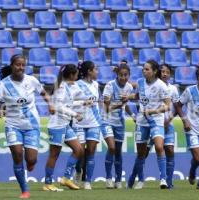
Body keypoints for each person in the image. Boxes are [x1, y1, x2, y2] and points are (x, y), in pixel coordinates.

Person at [0, 54, 54, 199]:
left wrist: (50, 104)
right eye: (18, 65)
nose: (21, 68)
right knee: (18, 155)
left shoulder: (31, 80)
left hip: (31, 125)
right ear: (12, 65)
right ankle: (24, 190)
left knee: (31, 159)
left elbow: (44, 93)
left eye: (23, 65)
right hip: (12, 124)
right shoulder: (3, 85)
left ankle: (30, 164)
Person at [127, 60, 171, 189]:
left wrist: (154, 111)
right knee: (141, 153)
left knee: (159, 146)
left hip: (156, 119)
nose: (144, 71)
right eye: (144, 69)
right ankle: (138, 179)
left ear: (154, 71)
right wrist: (128, 97)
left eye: (147, 69)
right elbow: (138, 95)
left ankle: (163, 179)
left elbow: (168, 106)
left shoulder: (162, 86)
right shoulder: (140, 82)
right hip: (141, 120)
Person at [43, 64, 84, 192]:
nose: (77, 77)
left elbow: (67, 103)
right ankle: (48, 183)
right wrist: (75, 114)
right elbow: (58, 106)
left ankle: (66, 178)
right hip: (57, 125)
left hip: (64, 124)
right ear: (71, 75)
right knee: (54, 155)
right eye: (76, 74)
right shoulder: (61, 87)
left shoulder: (66, 86)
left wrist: (83, 103)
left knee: (79, 150)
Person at [102, 63, 135, 189]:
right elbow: (107, 106)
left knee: (118, 152)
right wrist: (121, 103)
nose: (123, 77)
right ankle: (108, 178)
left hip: (120, 122)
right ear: (117, 75)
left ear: (129, 75)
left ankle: (118, 180)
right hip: (107, 120)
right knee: (111, 148)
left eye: (126, 75)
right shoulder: (110, 85)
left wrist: (132, 115)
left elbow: (125, 105)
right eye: (121, 75)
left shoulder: (129, 87)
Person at [72, 61, 101, 190]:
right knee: (80, 152)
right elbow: (70, 102)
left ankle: (88, 181)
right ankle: (78, 171)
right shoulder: (76, 85)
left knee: (91, 151)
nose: (97, 72)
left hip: (94, 122)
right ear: (89, 71)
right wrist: (83, 102)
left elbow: (98, 103)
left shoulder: (96, 85)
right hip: (79, 122)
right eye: (95, 69)